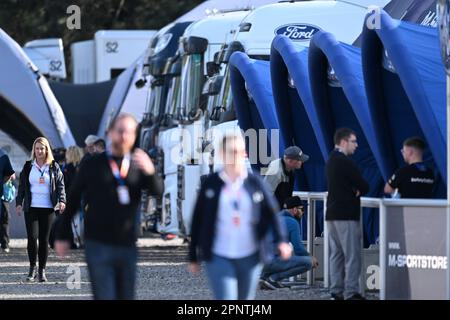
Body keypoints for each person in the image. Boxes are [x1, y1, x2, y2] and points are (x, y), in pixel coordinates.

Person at [55, 113, 164, 300]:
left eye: (129, 132)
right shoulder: (93, 164)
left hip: (127, 244)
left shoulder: (138, 164)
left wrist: (152, 171)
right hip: (98, 243)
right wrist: (62, 235)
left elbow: (158, 192)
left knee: (125, 296)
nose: (124, 136)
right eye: (120, 131)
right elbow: (73, 198)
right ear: (110, 133)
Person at [188, 133, 292, 300]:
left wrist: (282, 240)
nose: (236, 156)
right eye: (231, 152)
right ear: (222, 154)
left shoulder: (254, 182)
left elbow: (271, 212)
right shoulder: (212, 184)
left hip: (250, 253)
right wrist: (193, 255)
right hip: (218, 253)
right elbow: (197, 219)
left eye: (239, 152)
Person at [326, 128, 369, 300]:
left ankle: (336, 291)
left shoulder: (330, 160)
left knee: (336, 254)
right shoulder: (346, 162)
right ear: (344, 142)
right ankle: (352, 292)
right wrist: (356, 189)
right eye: (354, 141)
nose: (356, 145)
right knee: (352, 255)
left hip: (332, 213)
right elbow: (364, 185)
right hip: (346, 214)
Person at [15, 137, 66, 282]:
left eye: (42, 148)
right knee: (32, 238)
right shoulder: (28, 166)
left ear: (46, 150)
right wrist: (19, 203)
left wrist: (62, 200)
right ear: (34, 150)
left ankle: (42, 270)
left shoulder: (53, 166)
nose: (39, 151)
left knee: (44, 239)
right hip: (31, 207)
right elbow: (22, 187)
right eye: (37, 148)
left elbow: (60, 185)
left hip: (48, 208)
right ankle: (32, 268)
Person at [260, 196, 319, 289]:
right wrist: (311, 257)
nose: (303, 212)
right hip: (271, 261)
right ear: (295, 209)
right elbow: (298, 249)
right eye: (302, 209)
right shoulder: (292, 222)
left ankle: (264, 278)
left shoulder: (274, 218)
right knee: (308, 262)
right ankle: (273, 279)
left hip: (259, 262)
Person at [0, 148, 15, 253]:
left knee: (4, 217)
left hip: (3, 195)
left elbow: (10, 174)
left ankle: (5, 243)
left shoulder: (3, 155)